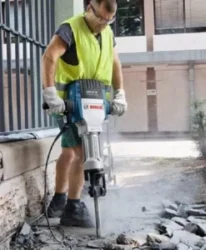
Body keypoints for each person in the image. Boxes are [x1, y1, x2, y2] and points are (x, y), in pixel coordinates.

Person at [41, 0, 127, 227]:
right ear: (89, 8)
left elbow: (115, 64)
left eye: (109, 20)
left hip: (94, 99)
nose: (103, 24)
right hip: (68, 101)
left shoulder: (107, 34)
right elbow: (49, 56)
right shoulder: (70, 28)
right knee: (82, 151)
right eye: (100, 18)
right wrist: (50, 94)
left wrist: (120, 94)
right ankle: (73, 207)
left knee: (70, 152)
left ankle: (59, 199)